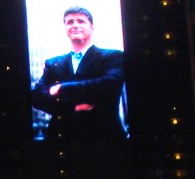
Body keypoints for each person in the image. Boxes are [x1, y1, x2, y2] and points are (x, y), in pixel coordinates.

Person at [30, 7, 126, 140]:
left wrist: (63, 88)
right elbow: (36, 96)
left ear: (92, 27)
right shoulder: (53, 63)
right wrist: (71, 107)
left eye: (81, 21)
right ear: (64, 28)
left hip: (103, 137)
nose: (75, 25)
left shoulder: (113, 56)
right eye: (70, 22)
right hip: (60, 139)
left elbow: (110, 85)